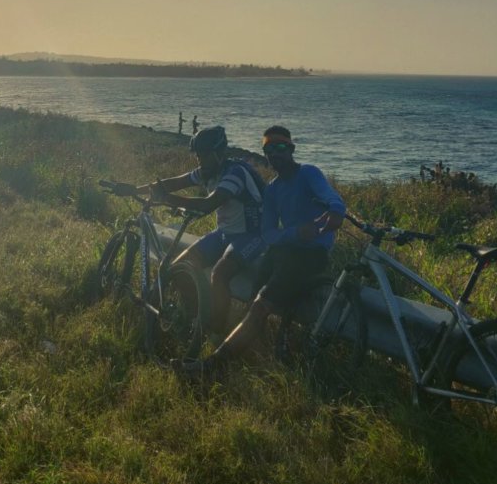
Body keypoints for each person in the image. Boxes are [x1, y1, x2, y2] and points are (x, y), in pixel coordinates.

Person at [174, 125, 346, 378]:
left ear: (291, 149)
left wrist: (334, 213)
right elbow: (268, 233)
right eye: (268, 150)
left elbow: (332, 197)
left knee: (260, 306)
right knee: (254, 300)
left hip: (310, 256)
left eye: (280, 147)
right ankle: (251, 353)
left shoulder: (308, 173)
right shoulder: (273, 188)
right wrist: (296, 233)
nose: (274, 154)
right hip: (284, 252)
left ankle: (212, 366)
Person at [142, 125, 268, 335]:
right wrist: (133, 189)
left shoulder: (235, 173)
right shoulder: (209, 171)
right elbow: (173, 183)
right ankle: (194, 320)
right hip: (224, 233)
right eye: (198, 156)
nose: (200, 160)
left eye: (204, 155)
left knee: (220, 274)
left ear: (219, 153)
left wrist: (166, 199)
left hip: (252, 235)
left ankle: (215, 334)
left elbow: (208, 204)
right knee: (181, 266)